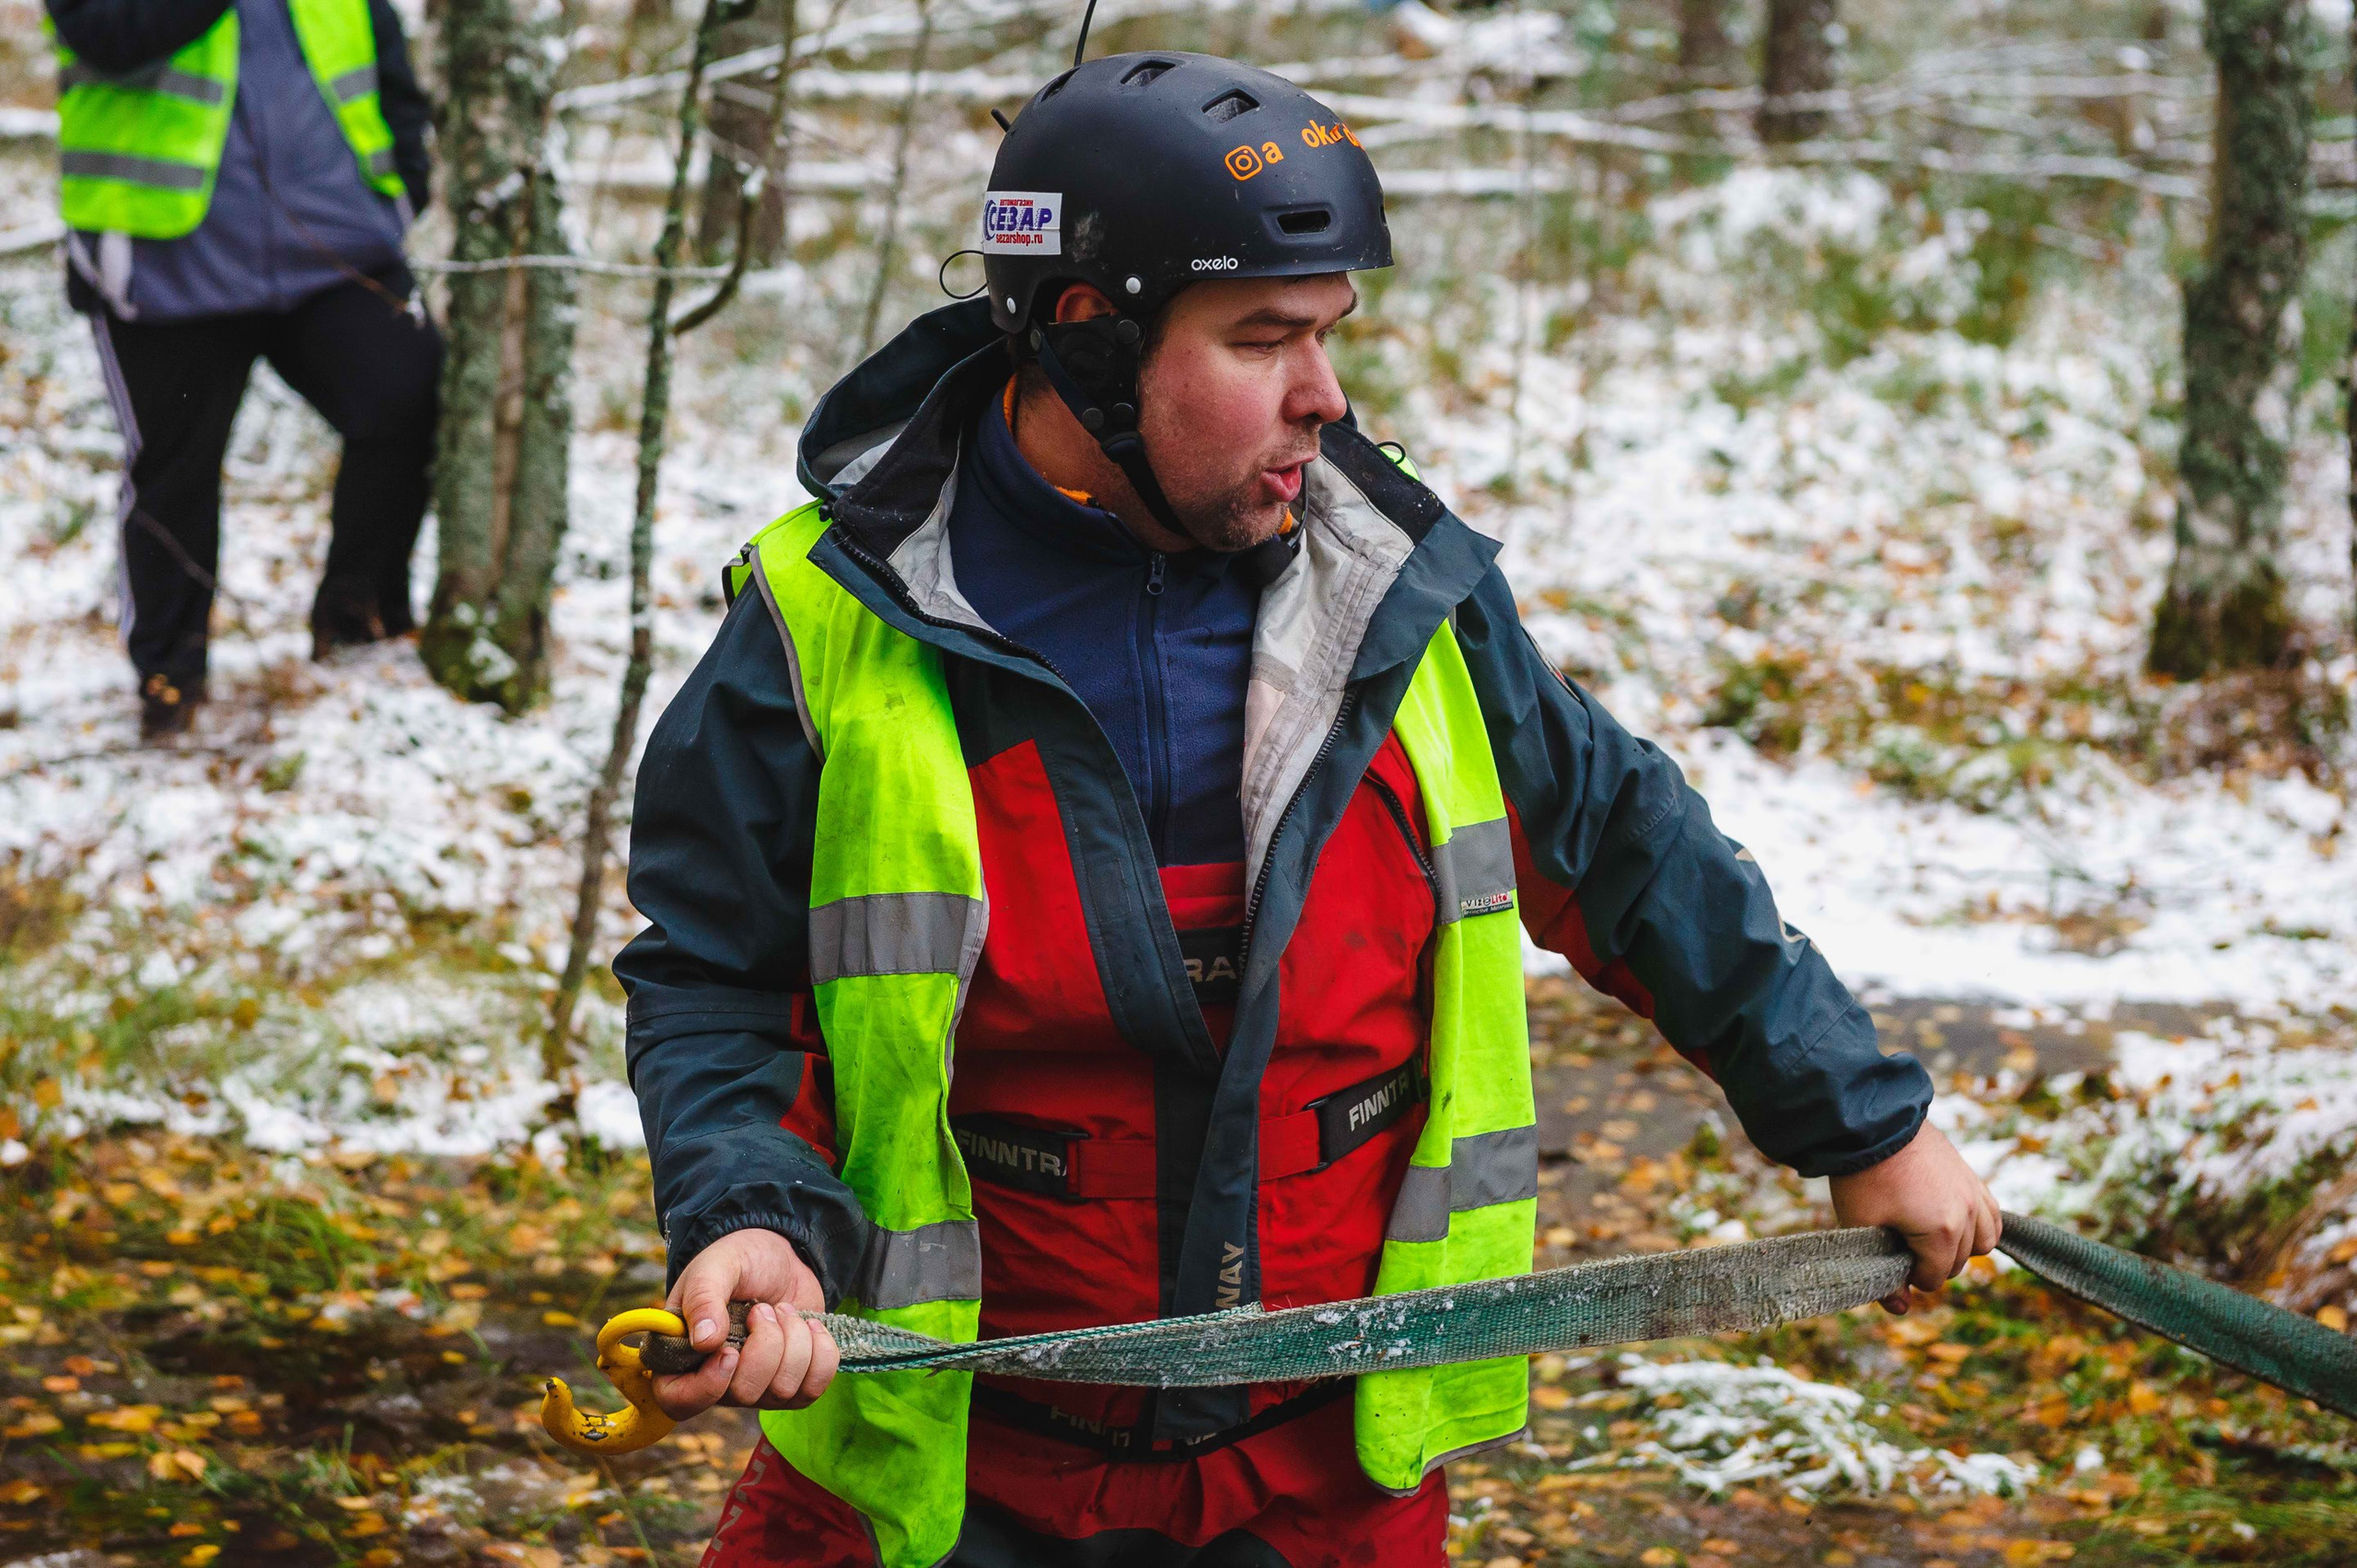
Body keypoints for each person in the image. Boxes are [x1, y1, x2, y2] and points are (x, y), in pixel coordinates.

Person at [619, 51, 2002, 1568]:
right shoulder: (833, 619)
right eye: (1263, 337)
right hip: (932, 1486)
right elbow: (715, 975)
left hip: (1320, 1492)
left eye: (1332, 333)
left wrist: (1863, 1114)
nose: (1324, 396)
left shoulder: (1391, 585)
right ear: (1088, 335)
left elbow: (1622, 840)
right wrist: (746, 1213)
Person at [45, 0, 442, 740]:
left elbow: (383, 57)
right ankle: (170, 678)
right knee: (176, 470)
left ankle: (357, 622)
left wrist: (403, 186)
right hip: (170, 264)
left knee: (407, 396)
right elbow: (106, 33)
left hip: (332, 250)